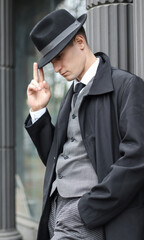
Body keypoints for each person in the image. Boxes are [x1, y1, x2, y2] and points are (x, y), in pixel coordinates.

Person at [25, 9, 144, 240]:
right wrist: (39, 111)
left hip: (86, 212)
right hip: (56, 208)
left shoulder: (126, 86)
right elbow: (58, 158)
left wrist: (87, 209)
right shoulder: (72, 94)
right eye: (51, 62)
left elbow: (137, 159)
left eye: (58, 57)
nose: (56, 68)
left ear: (80, 42)